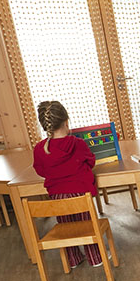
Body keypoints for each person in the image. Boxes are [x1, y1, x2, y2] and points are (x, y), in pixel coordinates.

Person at [32, 100, 103, 268]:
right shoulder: (77, 143)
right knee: (87, 227)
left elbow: (40, 170)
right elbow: (90, 161)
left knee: (67, 228)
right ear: (66, 121)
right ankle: (95, 258)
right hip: (81, 195)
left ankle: (73, 259)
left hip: (58, 197)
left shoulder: (40, 149)